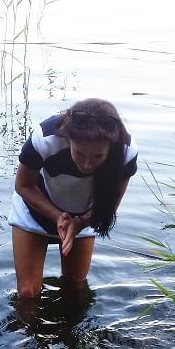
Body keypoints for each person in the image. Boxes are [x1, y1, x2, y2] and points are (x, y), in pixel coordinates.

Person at [8, 98, 138, 298]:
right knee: (27, 293)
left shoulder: (125, 152)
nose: (86, 165)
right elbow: (23, 185)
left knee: (75, 288)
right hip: (34, 208)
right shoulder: (45, 138)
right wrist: (58, 217)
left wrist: (80, 222)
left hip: (83, 216)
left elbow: (109, 204)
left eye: (97, 157)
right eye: (80, 153)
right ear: (68, 140)